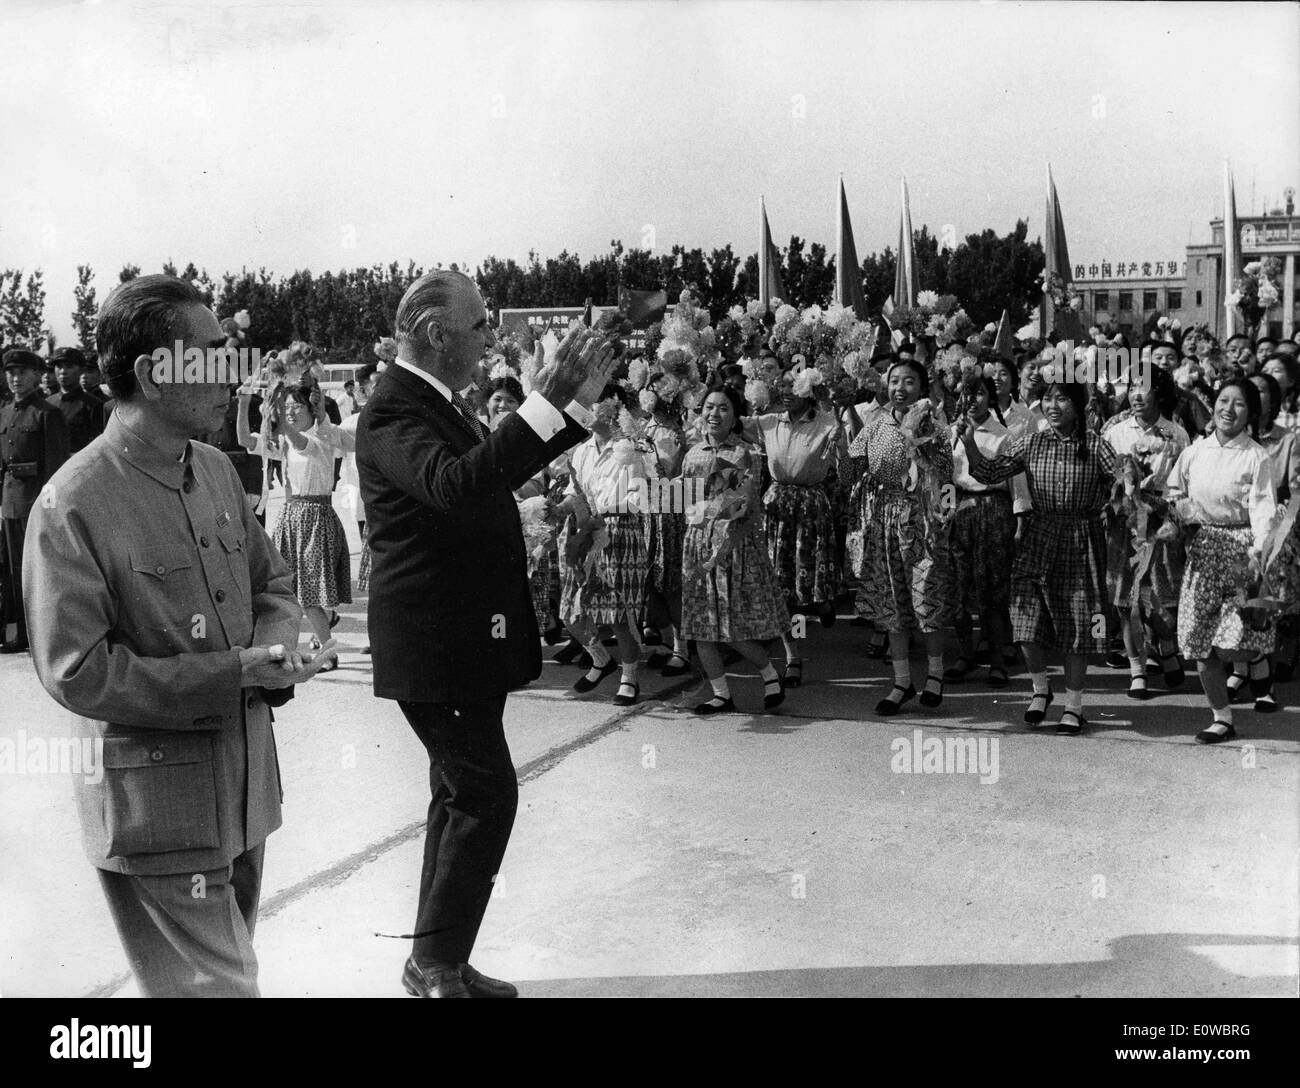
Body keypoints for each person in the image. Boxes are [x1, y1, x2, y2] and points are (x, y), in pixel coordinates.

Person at [24, 274, 331, 997]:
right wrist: (235, 673)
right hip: (158, 812)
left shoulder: (218, 469)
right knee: (219, 990)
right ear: (153, 374)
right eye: (215, 356)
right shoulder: (74, 501)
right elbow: (78, 673)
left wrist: (282, 646)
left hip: (246, 791)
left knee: (193, 989)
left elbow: (273, 583)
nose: (236, 374)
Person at [356, 270, 613, 998]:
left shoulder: (433, 400)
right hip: (435, 644)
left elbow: (485, 470)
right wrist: (543, 401)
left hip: (461, 639)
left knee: (459, 795)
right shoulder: (392, 412)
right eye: (478, 325)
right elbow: (456, 483)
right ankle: (434, 964)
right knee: (484, 795)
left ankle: (439, 959)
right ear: (437, 334)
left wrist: (564, 403)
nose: (490, 337)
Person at [960, 377, 1117, 735]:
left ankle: (1073, 707)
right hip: (1038, 535)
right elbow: (989, 471)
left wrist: (1122, 494)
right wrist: (969, 443)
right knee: (1026, 622)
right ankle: (1040, 690)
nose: (1054, 406)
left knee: (1079, 626)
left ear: (1079, 406)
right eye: (1048, 400)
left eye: (1062, 400)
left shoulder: (1096, 446)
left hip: (1081, 539)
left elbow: (1121, 481)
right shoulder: (1030, 442)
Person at [1164, 378, 1279, 741]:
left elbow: (1264, 508)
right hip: (1202, 548)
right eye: (1223, 401)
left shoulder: (1256, 456)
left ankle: (1256, 664)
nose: (1229, 409)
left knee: (1234, 642)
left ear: (1251, 413)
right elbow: (1174, 489)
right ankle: (1222, 717)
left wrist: (1259, 554)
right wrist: (1182, 516)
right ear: (1212, 406)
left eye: (1240, 404)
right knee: (1200, 642)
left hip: (1241, 553)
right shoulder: (1196, 451)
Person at [844, 358, 957, 714]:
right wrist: (837, 447)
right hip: (884, 520)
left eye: (909, 382)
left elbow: (946, 476)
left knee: (926, 599)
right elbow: (852, 472)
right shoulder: (875, 425)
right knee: (891, 604)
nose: (899, 388)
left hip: (922, 519)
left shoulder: (935, 427)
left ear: (921, 387)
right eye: (894, 381)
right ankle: (901, 682)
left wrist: (942, 519)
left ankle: (935, 676)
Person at [680, 385, 790, 714]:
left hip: (733, 546)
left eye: (723, 408)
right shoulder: (692, 453)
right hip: (698, 545)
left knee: (731, 627)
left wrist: (711, 511)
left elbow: (743, 505)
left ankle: (771, 675)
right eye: (709, 407)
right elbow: (686, 499)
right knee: (700, 626)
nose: (714, 414)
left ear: (735, 416)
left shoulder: (746, 453)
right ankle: (720, 693)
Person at [237, 381, 351, 667]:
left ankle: (329, 651)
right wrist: (243, 402)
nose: (290, 413)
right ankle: (323, 628)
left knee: (308, 592)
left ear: (312, 408)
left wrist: (275, 412)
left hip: (315, 518)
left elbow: (299, 441)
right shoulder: (285, 441)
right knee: (290, 589)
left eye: (296, 406)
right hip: (291, 517)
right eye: (286, 407)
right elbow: (245, 441)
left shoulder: (320, 438)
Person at [1100, 365, 1190, 698]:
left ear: (1160, 394)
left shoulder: (1177, 435)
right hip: (1125, 526)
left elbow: (1182, 486)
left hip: (1160, 522)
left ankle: (1166, 647)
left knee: (1162, 598)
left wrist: (1174, 520)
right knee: (1128, 599)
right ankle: (1137, 667)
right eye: (1132, 386)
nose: (1136, 394)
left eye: (1145, 387)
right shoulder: (1116, 432)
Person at [757, 369, 845, 686]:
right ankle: (793, 656)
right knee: (783, 590)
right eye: (781, 385)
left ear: (808, 389)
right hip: (777, 507)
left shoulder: (827, 423)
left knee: (806, 588)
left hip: (810, 509)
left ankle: (823, 603)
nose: (786, 391)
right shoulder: (767, 421)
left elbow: (842, 460)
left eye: (793, 385)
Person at [945, 374, 1030, 688]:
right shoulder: (950, 433)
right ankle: (965, 655)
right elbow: (946, 480)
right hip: (961, 511)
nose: (972, 400)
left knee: (992, 594)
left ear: (989, 398)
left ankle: (996, 661)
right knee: (958, 590)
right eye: (967, 393)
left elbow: (1017, 485)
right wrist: (946, 511)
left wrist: (1020, 524)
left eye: (979, 393)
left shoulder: (1003, 435)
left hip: (994, 512)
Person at [1, 348, 70, 652]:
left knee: (39, 569)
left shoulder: (47, 413)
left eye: (22, 373)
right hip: (10, 500)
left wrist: (49, 509)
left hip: (36, 503)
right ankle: (23, 635)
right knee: (15, 568)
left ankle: (45, 635)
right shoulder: (4, 412)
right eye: (11, 373)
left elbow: (55, 467)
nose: (16, 378)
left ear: (35, 376)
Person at [46, 346, 107, 454]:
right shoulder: (47, 403)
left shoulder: (93, 405)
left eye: (69, 366)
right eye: (59, 366)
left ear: (81, 370)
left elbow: (98, 446)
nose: (63, 371)